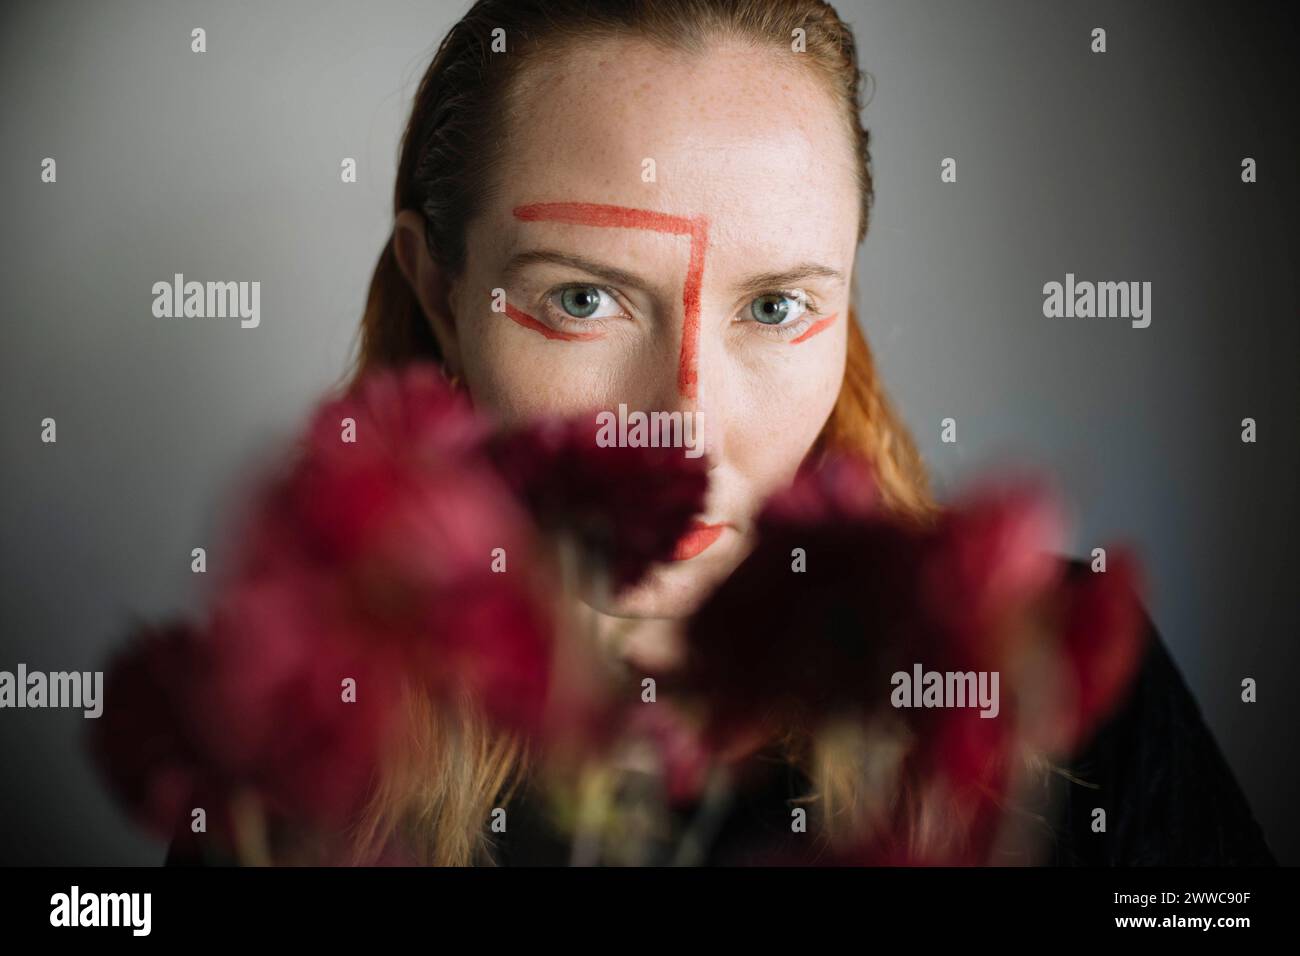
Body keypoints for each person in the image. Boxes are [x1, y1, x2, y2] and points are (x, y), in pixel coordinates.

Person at [168, 0, 1274, 866]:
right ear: (440, 292)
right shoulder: (293, 738)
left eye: (776, 307)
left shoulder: (1054, 678)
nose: (684, 431)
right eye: (582, 300)